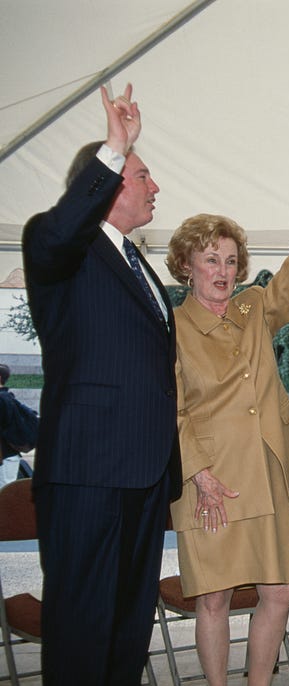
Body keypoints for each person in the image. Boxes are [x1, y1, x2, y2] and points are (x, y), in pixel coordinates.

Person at [21, 84, 181, 685]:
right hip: (88, 474)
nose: (154, 186)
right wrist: (116, 147)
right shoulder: (57, 246)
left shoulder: (137, 264)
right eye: (144, 175)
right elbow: (63, 227)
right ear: (110, 186)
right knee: (83, 628)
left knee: (126, 627)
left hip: (142, 475)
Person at [163, 168, 289, 684]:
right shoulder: (171, 327)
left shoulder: (254, 307)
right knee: (216, 596)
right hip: (210, 482)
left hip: (266, 473)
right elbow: (169, 409)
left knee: (279, 592)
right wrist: (198, 474)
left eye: (231, 259)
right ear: (186, 266)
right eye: (210, 260)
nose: (223, 270)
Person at [0, 363, 37, 486]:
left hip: (5, 458)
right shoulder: (7, 398)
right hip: (7, 456)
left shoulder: (3, 400)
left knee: (4, 494)